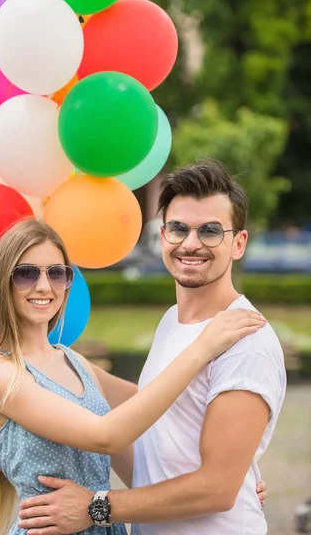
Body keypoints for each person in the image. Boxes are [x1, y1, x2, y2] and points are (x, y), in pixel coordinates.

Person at [18, 159, 286, 535]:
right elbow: (154, 423)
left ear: (238, 243)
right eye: (178, 228)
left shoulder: (245, 340)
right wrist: (59, 360)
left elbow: (217, 489)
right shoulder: (173, 320)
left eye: (210, 231)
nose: (190, 243)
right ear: (162, 236)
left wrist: (95, 507)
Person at [0, 217, 266, 535]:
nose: (43, 286)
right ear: (3, 282)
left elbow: (168, 416)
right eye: (26, 274)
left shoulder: (73, 361)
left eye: (56, 273)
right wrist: (201, 347)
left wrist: (234, 477)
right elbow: (107, 436)